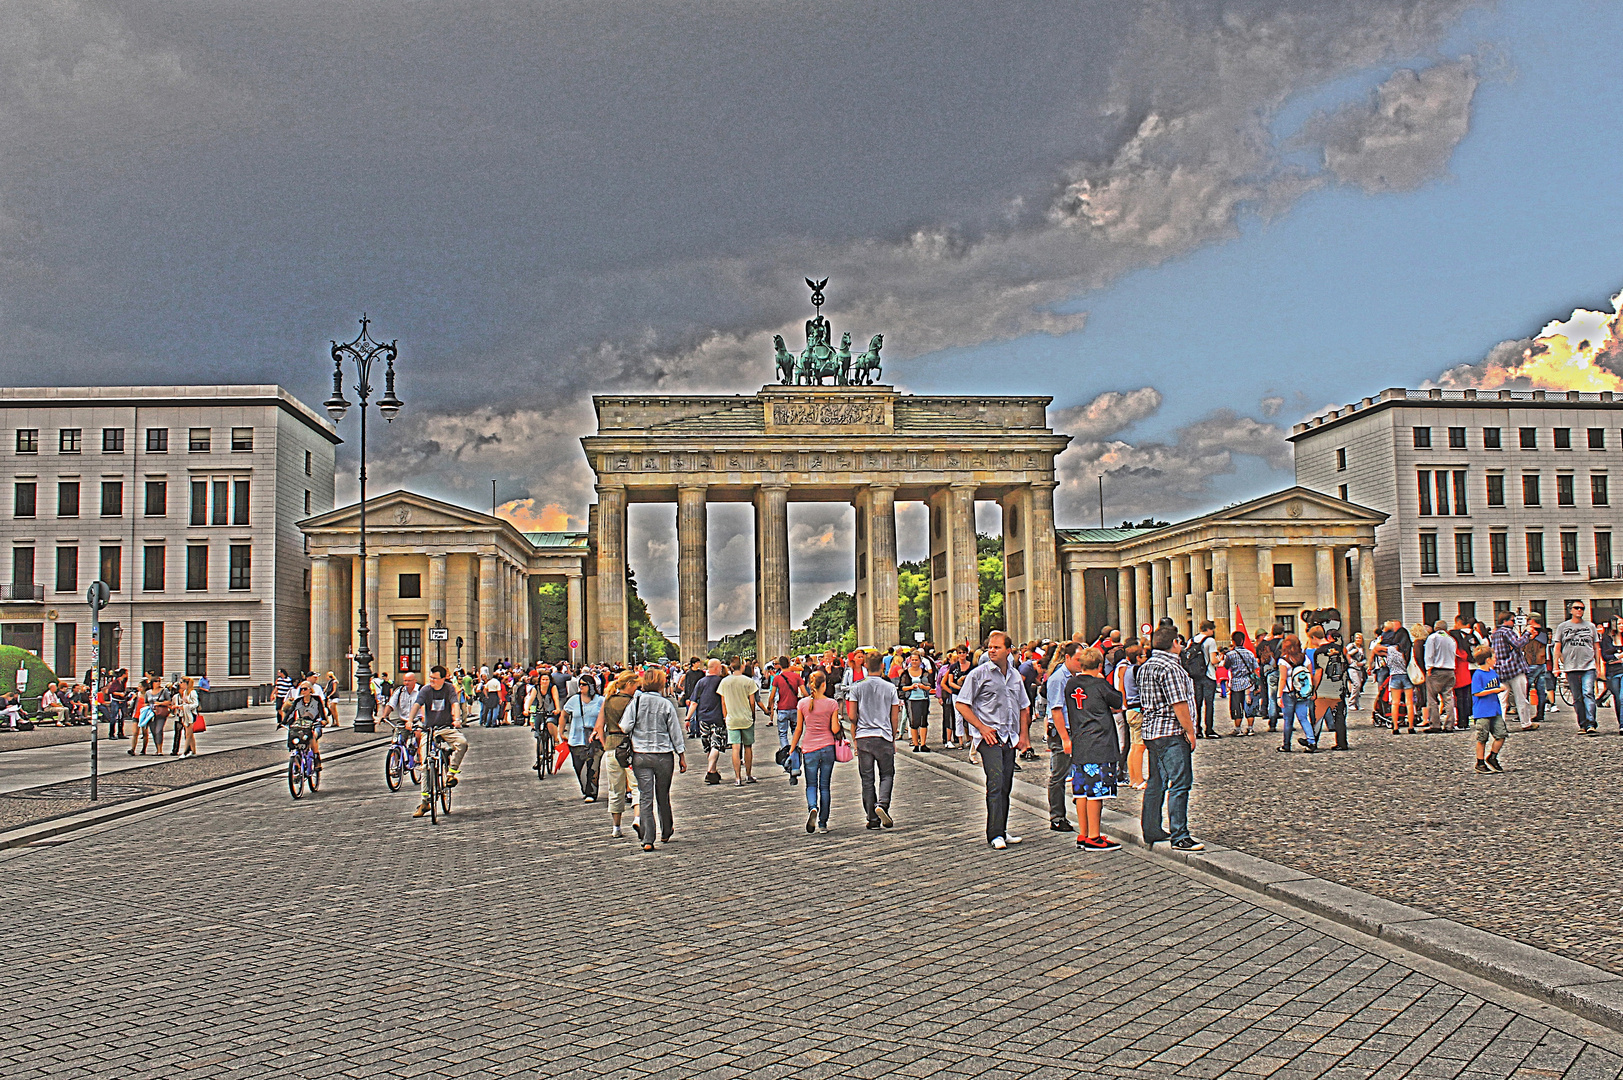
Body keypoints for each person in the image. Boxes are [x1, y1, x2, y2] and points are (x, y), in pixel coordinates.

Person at [954, 630, 1031, 850]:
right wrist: (981, 727)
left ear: (1009, 650)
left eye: (997, 647)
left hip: (1009, 735)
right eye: (990, 647)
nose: (992, 650)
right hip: (989, 736)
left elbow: (1024, 707)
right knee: (995, 781)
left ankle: (1002, 828)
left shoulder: (1015, 676)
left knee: (1006, 783)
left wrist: (1024, 736)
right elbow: (962, 704)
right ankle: (994, 833)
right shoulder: (979, 674)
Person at [1137, 625, 1203, 851]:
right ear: (1174, 642)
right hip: (1170, 731)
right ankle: (1180, 835)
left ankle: (1151, 828)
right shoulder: (1171, 668)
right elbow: (1179, 704)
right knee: (1180, 782)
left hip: (1151, 730)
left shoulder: (1146, 666)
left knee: (1157, 781)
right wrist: (1191, 730)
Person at [1060, 647, 1124, 851]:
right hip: (1099, 742)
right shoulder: (1100, 684)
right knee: (1096, 792)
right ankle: (1095, 837)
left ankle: (1083, 833)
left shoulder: (1071, 684)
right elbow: (1117, 702)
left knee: (1081, 791)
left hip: (1080, 742)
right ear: (1099, 666)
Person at [618, 666, 685, 851]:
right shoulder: (666, 704)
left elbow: (624, 726)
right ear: (661, 683)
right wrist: (681, 755)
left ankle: (648, 839)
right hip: (664, 756)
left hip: (641, 755)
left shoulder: (636, 702)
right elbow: (675, 733)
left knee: (646, 797)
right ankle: (666, 830)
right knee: (663, 795)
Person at [847, 653, 901, 829]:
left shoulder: (857, 687)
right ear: (882, 666)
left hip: (863, 737)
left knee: (867, 778)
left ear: (866, 667)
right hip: (883, 735)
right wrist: (893, 737)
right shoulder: (890, 687)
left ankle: (872, 818)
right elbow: (894, 716)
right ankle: (882, 804)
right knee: (887, 774)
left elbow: (852, 716)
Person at [408, 665, 469, 817]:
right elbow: (417, 705)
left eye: (435, 678)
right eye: (431, 678)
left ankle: (451, 773)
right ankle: (425, 802)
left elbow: (455, 704)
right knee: (424, 766)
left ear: (443, 678)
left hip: (446, 727)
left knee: (462, 743)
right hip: (429, 729)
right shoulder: (425, 690)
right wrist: (410, 720)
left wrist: (456, 719)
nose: (432, 681)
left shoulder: (449, 689)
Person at [789, 670, 842, 834]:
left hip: (809, 748)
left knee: (811, 784)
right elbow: (834, 729)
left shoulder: (802, 704)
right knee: (824, 786)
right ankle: (823, 823)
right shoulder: (832, 704)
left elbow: (798, 729)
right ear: (824, 685)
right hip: (827, 747)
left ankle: (813, 807)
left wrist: (792, 748)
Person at [1043, 642, 1084, 832]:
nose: (1081, 663)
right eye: (1078, 659)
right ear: (1067, 658)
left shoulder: (1076, 676)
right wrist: (1065, 738)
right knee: (1059, 774)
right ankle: (1057, 816)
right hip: (1062, 730)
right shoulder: (1058, 678)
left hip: (1075, 728)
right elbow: (1056, 710)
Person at [595, 671, 638, 837]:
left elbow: (599, 727)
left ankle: (616, 827)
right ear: (628, 684)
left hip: (612, 746)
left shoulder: (608, 700)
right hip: (629, 747)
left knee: (615, 789)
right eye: (635, 685)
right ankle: (637, 818)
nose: (636, 688)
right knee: (636, 786)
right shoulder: (633, 701)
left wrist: (606, 743)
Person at [1552, 601, 1599, 735]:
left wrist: (1599, 665)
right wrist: (1556, 666)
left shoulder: (1590, 626)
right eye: (1576, 608)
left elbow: (1596, 647)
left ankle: (1591, 723)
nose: (1579, 610)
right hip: (1571, 666)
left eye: (1582, 608)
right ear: (1570, 610)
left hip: (1588, 665)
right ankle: (1582, 724)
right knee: (1577, 697)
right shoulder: (1563, 627)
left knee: (1588, 693)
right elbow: (1557, 647)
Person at [1487, 611, 1534, 732]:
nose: (1514, 623)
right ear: (1505, 621)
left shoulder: (1495, 633)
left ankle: (1500, 725)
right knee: (1521, 697)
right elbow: (1518, 643)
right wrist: (1527, 633)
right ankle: (1526, 723)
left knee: (1502, 698)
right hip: (1514, 668)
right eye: (1512, 620)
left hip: (1500, 669)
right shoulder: (1507, 632)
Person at [717, 656, 759, 785]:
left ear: (730, 667)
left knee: (735, 748)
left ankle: (737, 778)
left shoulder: (724, 682)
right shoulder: (748, 681)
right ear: (742, 666)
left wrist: (725, 716)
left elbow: (723, 702)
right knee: (748, 747)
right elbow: (752, 702)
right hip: (746, 717)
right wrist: (752, 715)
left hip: (732, 718)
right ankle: (748, 775)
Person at [685, 659, 727, 784]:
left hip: (702, 718)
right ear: (717, 668)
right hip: (718, 717)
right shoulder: (721, 682)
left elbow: (693, 702)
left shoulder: (701, 682)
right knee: (716, 744)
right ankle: (710, 770)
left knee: (708, 745)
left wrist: (688, 718)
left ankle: (714, 771)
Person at [562, 677, 603, 801]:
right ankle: (585, 788)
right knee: (578, 767)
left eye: (584, 684)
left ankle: (592, 792)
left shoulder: (601, 700)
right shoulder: (573, 700)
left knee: (593, 766)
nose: (581, 687)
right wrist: (561, 731)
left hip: (594, 739)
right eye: (579, 684)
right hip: (577, 738)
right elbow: (564, 715)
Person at [1373, 619, 1416, 734]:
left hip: (1394, 675)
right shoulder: (1408, 650)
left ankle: (1395, 727)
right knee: (1409, 702)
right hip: (1406, 676)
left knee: (1395, 702)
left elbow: (1376, 649)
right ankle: (1411, 727)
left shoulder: (1391, 650)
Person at [1276, 634, 1316, 753]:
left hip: (1288, 692)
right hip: (1302, 693)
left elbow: (1282, 679)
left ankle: (1286, 745)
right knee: (1303, 718)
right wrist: (1311, 691)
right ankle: (1311, 741)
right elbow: (1310, 676)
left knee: (1288, 719)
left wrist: (1279, 695)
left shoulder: (1283, 660)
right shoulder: (1305, 658)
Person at [1470, 645, 1507, 773]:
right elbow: (1477, 692)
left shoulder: (1493, 673)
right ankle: (1479, 762)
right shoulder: (1477, 675)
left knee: (1501, 734)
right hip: (1482, 711)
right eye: (1494, 657)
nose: (1495, 659)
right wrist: (1493, 690)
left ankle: (1492, 756)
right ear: (1487, 659)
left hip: (1494, 709)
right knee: (1482, 737)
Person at [770, 655, 803, 784]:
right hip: (795, 709)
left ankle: (786, 756)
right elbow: (804, 693)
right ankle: (794, 761)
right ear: (789, 663)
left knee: (783, 734)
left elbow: (772, 695)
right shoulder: (796, 677)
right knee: (795, 733)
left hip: (782, 709)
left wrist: (769, 707)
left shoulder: (777, 678)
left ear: (779, 665)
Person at [1422, 620, 1459, 733]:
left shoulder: (1433, 638)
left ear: (1435, 628)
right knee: (1448, 697)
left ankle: (1435, 724)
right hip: (1450, 670)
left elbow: (1429, 654)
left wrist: (1428, 668)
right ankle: (1449, 724)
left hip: (1436, 670)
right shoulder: (1451, 639)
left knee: (1432, 698)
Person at [1186, 621, 1220, 738]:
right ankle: (1209, 729)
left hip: (1195, 676)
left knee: (1197, 703)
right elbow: (1213, 660)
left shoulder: (1191, 640)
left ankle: (1197, 729)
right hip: (1208, 675)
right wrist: (1219, 658)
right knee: (1209, 703)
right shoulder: (1210, 641)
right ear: (1209, 629)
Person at [1222, 633, 1258, 736]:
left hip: (1236, 682)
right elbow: (1255, 668)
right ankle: (1250, 728)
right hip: (1248, 682)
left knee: (1236, 706)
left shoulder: (1230, 654)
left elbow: (1226, 666)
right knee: (1249, 706)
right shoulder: (1250, 653)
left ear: (1233, 641)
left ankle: (1238, 729)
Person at [898, 654, 933, 753]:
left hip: (923, 698)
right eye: (912, 660)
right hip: (911, 699)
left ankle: (923, 743)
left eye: (916, 660)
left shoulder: (925, 673)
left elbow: (929, 686)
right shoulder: (905, 673)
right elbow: (902, 687)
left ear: (920, 661)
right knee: (913, 722)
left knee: (923, 721)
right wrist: (911, 687)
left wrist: (923, 686)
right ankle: (915, 743)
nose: (914, 662)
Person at [174, 677, 200, 758]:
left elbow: (196, 704)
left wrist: (187, 707)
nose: (180, 684)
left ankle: (185, 752)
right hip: (185, 714)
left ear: (186, 683)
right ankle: (193, 751)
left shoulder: (192, 692)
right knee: (190, 734)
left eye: (182, 682)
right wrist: (181, 707)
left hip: (191, 714)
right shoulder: (185, 692)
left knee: (188, 734)